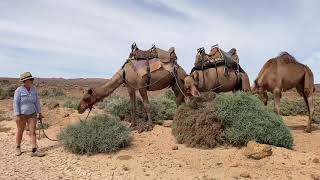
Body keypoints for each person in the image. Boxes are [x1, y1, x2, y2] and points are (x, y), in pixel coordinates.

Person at [13, 72, 45, 157]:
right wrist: (17, 115)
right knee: (20, 131)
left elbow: (37, 102)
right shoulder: (19, 90)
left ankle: (34, 150)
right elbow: (15, 103)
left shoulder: (34, 89)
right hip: (21, 115)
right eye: (30, 79)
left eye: (32, 79)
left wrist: (39, 113)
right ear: (25, 81)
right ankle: (18, 147)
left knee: (33, 132)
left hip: (32, 114)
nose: (32, 80)